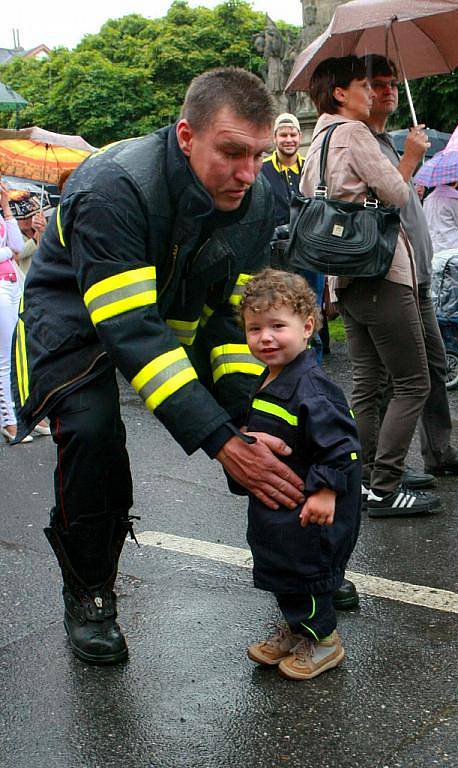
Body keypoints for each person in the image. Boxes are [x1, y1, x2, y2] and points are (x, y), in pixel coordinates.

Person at [11, 68, 311, 666]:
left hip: (168, 309)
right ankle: (90, 589)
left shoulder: (256, 197)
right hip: (75, 316)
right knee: (95, 434)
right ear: (184, 136)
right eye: (230, 153)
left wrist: (247, 419)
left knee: (274, 423)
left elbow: (232, 323)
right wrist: (223, 443)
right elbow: (131, 332)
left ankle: (304, 577)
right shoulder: (111, 186)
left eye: (256, 155)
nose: (247, 174)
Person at [302, 55, 440, 517]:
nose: (370, 93)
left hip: (346, 278)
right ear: (340, 93)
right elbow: (396, 194)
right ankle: (385, 486)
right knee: (413, 382)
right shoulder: (353, 133)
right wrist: (410, 157)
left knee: (367, 382)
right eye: (363, 85)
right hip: (383, 273)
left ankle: (365, 478)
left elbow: (310, 198)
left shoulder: (318, 139)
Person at [363, 53, 458, 482]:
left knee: (433, 365)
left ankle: (438, 450)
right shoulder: (361, 141)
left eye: (393, 84)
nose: (388, 91)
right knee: (391, 378)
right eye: (378, 84)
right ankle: (383, 471)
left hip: (418, 273)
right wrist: (411, 159)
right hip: (387, 275)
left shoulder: (384, 141)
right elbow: (380, 202)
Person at [237, 269, 361, 681]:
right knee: (284, 569)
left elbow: (342, 447)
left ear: (307, 327)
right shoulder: (271, 377)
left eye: (277, 326)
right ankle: (296, 631)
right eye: (255, 328)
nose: (265, 337)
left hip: (310, 509)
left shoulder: (313, 387)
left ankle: (323, 640)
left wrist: (326, 491)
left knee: (307, 575)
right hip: (282, 507)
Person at [262, 112, 325, 361]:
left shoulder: (310, 167)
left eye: (293, 134)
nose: (288, 139)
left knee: (311, 311)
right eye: (283, 134)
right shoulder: (263, 170)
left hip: (310, 251)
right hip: (278, 254)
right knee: (281, 311)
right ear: (275, 137)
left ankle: (313, 370)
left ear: (300, 137)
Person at [0, 180, 33, 444]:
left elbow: (18, 247)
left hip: (13, 286)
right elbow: (11, 250)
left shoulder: (1, 214)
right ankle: (9, 420)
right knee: (5, 358)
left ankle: (22, 415)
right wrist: (7, 252)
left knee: (18, 352)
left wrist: (7, 209)